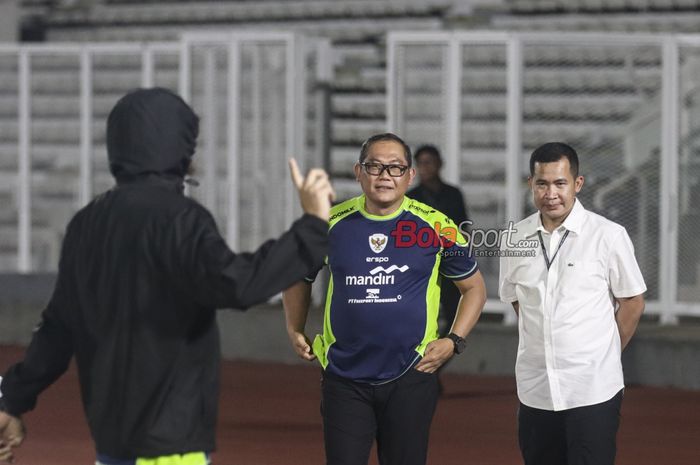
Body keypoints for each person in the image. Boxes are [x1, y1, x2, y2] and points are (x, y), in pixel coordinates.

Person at [0, 87, 335, 465]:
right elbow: (239, 284)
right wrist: (312, 225)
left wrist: (11, 400)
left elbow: (58, 327)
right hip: (171, 442)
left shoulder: (86, 223)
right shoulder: (181, 219)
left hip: (111, 442)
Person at [283, 133, 487, 465]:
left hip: (412, 373)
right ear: (358, 172)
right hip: (344, 377)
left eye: (395, 168)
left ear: (410, 175)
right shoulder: (329, 224)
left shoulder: (436, 225)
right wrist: (294, 328)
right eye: (374, 166)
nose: (384, 176)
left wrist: (454, 340)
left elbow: (474, 288)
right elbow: (298, 276)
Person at [498, 142, 646, 465]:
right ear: (531, 184)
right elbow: (517, 300)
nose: (551, 193)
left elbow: (632, 301)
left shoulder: (608, 236)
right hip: (535, 388)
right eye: (542, 183)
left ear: (577, 184)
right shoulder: (514, 239)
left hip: (591, 389)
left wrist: (603, 352)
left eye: (560, 183)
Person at [407, 144, 469, 336]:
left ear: (439, 164)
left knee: (453, 314)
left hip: (450, 262)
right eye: (421, 163)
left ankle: (436, 359)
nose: (425, 168)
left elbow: (462, 228)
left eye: (429, 163)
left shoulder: (453, 194)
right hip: (421, 266)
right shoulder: (410, 198)